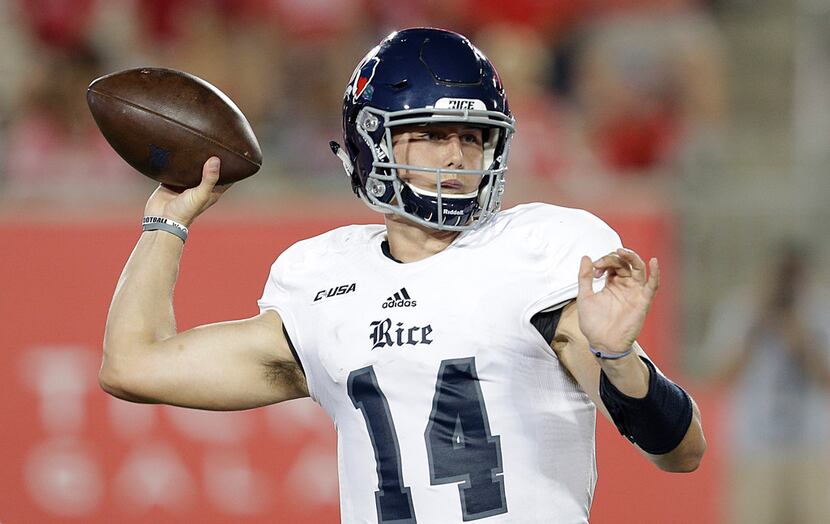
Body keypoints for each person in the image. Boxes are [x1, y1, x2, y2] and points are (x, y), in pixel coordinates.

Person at [99, 28, 705, 523]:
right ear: (370, 143)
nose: (456, 157)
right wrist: (166, 221)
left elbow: (681, 451)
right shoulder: (324, 282)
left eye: (473, 137)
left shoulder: (541, 252)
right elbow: (133, 366)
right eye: (432, 135)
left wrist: (619, 357)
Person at [705, 241, 830, 524]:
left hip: (810, 446)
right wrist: (756, 328)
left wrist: (803, 342)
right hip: (754, 447)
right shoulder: (742, 310)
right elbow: (721, 376)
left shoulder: (821, 313)